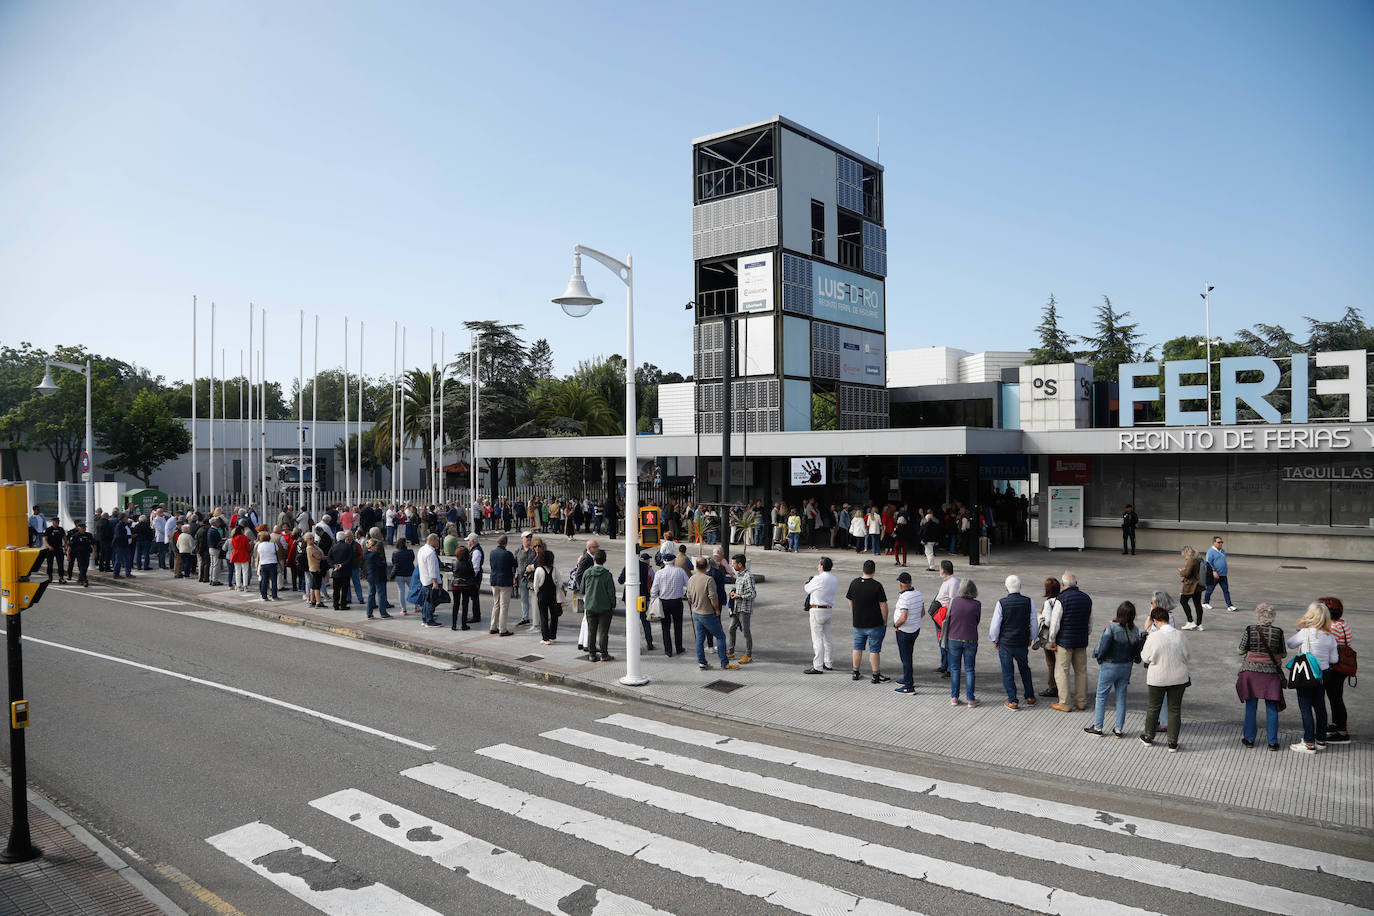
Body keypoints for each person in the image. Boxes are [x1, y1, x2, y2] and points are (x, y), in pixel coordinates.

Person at [1086, 601, 1145, 737]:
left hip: (1110, 665)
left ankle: (1098, 726)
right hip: (1126, 666)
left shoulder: (1112, 627)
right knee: (1121, 697)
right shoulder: (1135, 630)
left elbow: (1103, 646)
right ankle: (1119, 728)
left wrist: (1099, 657)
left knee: (1101, 696)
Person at [1287, 602, 1338, 753]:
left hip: (1307, 674)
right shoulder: (1330, 637)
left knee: (1305, 708)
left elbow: (1290, 644)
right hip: (1324, 674)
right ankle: (1320, 739)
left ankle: (1309, 742)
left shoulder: (1306, 632)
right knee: (1320, 706)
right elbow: (1334, 659)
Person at [1139, 605, 1191, 752]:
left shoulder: (1154, 637)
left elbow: (1145, 657)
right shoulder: (1180, 635)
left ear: (1155, 620)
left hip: (1158, 678)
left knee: (1154, 707)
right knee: (1175, 709)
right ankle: (1172, 742)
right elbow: (1188, 656)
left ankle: (1149, 737)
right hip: (1179, 677)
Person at [1236, 602, 1286, 751]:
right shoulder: (1279, 632)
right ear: (1273, 617)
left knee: (1251, 706)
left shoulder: (1250, 629)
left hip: (1251, 673)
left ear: (1258, 615)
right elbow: (1283, 653)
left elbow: (1240, 651)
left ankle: (1249, 739)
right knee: (1271, 707)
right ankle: (1272, 742)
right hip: (1271, 674)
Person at [990, 574, 1036, 709]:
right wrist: (1031, 638)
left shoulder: (1001, 603)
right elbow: (1033, 622)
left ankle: (1013, 700)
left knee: (1007, 671)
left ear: (1006, 588)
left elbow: (995, 625)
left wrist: (995, 639)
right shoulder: (1029, 601)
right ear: (1020, 586)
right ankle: (1030, 696)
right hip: (1022, 641)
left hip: (1006, 642)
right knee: (1024, 668)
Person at [1048, 571, 1092, 712]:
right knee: (1081, 671)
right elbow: (1090, 622)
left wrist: (1052, 639)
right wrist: (1086, 633)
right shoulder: (1086, 598)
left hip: (1064, 641)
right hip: (1081, 640)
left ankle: (1065, 702)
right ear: (1076, 584)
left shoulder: (1061, 599)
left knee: (1062, 671)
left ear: (1063, 584)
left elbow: (1055, 623)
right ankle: (1081, 701)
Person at [687, 557, 735, 671]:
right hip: (707, 613)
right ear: (707, 566)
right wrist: (717, 609)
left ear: (696, 566)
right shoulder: (709, 579)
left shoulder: (691, 579)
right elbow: (713, 597)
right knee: (720, 636)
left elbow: (689, 597)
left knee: (700, 638)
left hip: (696, 612)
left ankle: (702, 662)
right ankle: (724, 663)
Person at [846, 559, 890, 683]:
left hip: (858, 622)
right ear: (874, 571)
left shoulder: (854, 583)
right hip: (875, 623)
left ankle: (855, 672)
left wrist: (855, 611)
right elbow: (883, 605)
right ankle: (875, 675)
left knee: (857, 647)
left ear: (862, 570)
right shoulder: (877, 586)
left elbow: (850, 599)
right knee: (874, 649)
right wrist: (884, 620)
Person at [946, 579, 982, 706]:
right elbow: (977, 620)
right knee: (969, 669)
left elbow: (949, 618)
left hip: (954, 638)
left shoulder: (954, 601)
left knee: (955, 668)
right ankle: (970, 699)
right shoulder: (977, 604)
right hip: (970, 638)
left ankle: (954, 697)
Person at [1321, 596, 1352, 745]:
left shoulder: (1332, 628)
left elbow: (1326, 645)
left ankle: (1342, 732)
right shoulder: (1343, 624)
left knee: (1336, 698)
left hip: (1335, 666)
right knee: (1335, 696)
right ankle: (1335, 724)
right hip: (1344, 666)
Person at [802, 556, 838, 675]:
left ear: (822, 566)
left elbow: (807, 588)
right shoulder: (834, 579)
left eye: (819, 564)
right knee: (828, 638)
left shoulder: (818, 578)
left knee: (817, 639)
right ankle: (828, 662)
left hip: (817, 609)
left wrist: (810, 582)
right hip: (828, 609)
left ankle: (818, 666)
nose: (818, 566)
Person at [649, 551, 688, 657]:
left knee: (665, 627)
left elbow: (654, 590)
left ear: (664, 562)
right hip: (677, 602)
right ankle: (679, 648)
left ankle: (668, 650)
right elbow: (688, 584)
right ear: (674, 560)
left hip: (664, 602)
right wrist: (684, 592)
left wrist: (653, 601)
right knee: (678, 625)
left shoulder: (659, 573)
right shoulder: (680, 571)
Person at [581, 550, 616, 662]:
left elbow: (582, 589)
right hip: (605, 607)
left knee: (591, 631)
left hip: (590, 606)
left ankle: (591, 654)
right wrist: (613, 605)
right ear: (604, 561)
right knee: (603, 632)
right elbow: (611, 592)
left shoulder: (587, 573)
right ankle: (604, 654)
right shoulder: (607, 574)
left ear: (594, 559)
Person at [891, 571, 923, 694]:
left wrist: (896, 625)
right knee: (907, 656)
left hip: (904, 631)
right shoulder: (918, 594)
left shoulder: (904, 597)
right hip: (915, 629)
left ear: (901, 584)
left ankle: (909, 686)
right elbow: (922, 613)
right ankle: (906, 678)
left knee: (906, 659)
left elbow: (903, 617)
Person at [932, 560, 960, 677]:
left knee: (945, 641)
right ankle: (944, 665)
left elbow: (952, 599)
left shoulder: (952, 582)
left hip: (944, 615)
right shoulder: (947, 581)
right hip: (939, 613)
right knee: (941, 640)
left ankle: (949, 668)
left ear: (943, 570)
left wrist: (947, 617)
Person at [726, 554, 755, 664]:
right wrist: (734, 593)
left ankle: (748, 655)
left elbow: (752, 593)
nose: (732, 565)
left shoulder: (748, 576)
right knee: (731, 629)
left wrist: (740, 596)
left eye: (733, 563)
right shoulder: (739, 575)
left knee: (746, 632)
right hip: (737, 608)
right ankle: (731, 651)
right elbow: (739, 589)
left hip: (744, 609)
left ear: (740, 564)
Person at [533, 549, 566, 645]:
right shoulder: (554, 569)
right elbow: (560, 583)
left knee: (543, 617)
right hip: (552, 596)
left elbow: (535, 585)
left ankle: (545, 638)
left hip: (542, 596)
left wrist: (537, 594)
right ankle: (552, 636)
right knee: (554, 616)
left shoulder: (539, 570)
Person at [488, 534, 516, 636]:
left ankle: (493, 626)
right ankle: (503, 629)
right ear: (506, 543)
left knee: (496, 604)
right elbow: (514, 565)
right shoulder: (508, 554)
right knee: (504, 606)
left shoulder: (492, 553)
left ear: (497, 542)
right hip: (505, 581)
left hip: (494, 580)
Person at [415, 533, 443, 627]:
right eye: (437, 540)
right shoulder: (430, 553)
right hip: (430, 581)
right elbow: (432, 569)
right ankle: (429, 620)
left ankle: (425, 618)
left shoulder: (422, 549)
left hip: (424, 579)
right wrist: (435, 582)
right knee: (430, 601)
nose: (438, 543)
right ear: (433, 540)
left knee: (426, 601)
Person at [1203, 536, 1236, 612]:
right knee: (1210, 589)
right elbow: (1208, 563)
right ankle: (1205, 603)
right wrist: (1214, 571)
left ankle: (1229, 605)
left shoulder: (1223, 551)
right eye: (1219, 542)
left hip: (1223, 575)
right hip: (1214, 575)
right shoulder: (1210, 552)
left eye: (1222, 542)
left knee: (1226, 590)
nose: (1221, 543)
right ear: (1214, 543)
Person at [514, 531, 538, 627]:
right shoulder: (518, 551)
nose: (529, 539)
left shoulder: (534, 550)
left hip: (532, 577)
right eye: (527, 537)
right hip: (522, 577)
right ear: (522, 538)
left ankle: (537, 617)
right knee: (524, 598)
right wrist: (513, 577)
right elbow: (514, 565)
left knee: (535, 599)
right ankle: (525, 617)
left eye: (530, 537)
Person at [364, 537, 392, 619]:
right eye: (375, 546)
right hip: (378, 577)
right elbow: (382, 564)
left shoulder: (366, 554)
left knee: (371, 595)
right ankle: (383, 612)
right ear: (371, 546)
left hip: (370, 576)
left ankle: (369, 612)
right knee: (381, 595)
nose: (376, 548)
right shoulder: (374, 556)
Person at [1178, 546, 1204, 630]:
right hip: (1199, 586)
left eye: (1184, 554)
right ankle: (1199, 624)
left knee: (1183, 601)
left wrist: (1181, 571)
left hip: (1191, 586)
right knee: (1197, 604)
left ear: (1187, 553)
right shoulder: (1199, 560)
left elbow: (1187, 574)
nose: (1184, 556)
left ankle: (1190, 621)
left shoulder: (1191, 561)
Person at [451, 545, 476, 631]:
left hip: (455, 584)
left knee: (455, 604)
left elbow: (453, 573)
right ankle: (463, 624)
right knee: (465, 604)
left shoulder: (454, 563)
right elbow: (472, 573)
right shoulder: (469, 563)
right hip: (466, 585)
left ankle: (454, 625)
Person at [328, 532, 354, 610]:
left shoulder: (333, 547)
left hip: (336, 572)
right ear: (344, 538)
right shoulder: (348, 547)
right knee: (344, 589)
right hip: (345, 571)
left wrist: (334, 565)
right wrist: (342, 565)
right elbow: (350, 559)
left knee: (336, 590)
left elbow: (329, 558)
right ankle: (343, 604)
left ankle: (335, 604)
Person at [66, 520, 93, 587]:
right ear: (79, 528)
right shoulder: (75, 536)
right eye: (82, 528)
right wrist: (68, 555)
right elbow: (70, 546)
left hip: (87, 553)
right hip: (79, 553)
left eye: (84, 528)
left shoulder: (88, 535)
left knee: (86, 566)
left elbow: (94, 543)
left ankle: (81, 578)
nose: (84, 529)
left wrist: (95, 552)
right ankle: (84, 580)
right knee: (81, 567)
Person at [390, 537, 414, 614]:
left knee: (401, 591)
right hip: (409, 573)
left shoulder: (395, 553)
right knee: (413, 590)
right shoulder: (410, 552)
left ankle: (403, 609)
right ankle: (417, 606)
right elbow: (412, 560)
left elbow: (394, 562)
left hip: (399, 574)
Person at [466, 533, 484, 624]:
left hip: (475, 578)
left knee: (474, 597)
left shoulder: (476, 551)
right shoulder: (474, 550)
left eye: (468, 540)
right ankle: (476, 615)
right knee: (474, 596)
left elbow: (475, 567)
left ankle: (476, 616)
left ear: (472, 541)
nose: (467, 542)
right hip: (475, 577)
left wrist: (471, 577)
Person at [255, 531, 279, 600]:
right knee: (274, 580)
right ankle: (274, 596)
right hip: (273, 563)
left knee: (264, 580)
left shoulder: (259, 545)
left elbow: (258, 554)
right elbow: (277, 552)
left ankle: (264, 596)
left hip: (263, 564)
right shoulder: (273, 544)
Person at [43, 518, 66, 583]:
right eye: (56, 522)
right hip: (51, 549)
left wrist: (65, 544)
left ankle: (61, 577)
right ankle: (49, 577)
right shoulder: (49, 529)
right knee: (50, 564)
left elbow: (64, 537)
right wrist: (48, 546)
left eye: (58, 522)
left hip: (59, 548)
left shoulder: (61, 529)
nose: (57, 523)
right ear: (53, 522)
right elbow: (44, 539)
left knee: (60, 564)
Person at [304, 533, 325, 608]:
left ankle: (312, 600)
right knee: (317, 585)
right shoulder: (310, 548)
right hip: (315, 568)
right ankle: (318, 602)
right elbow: (319, 557)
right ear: (306, 540)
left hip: (315, 567)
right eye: (310, 538)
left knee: (313, 585)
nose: (312, 539)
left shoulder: (313, 546)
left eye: (312, 538)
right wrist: (327, 557)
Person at [230, 525, 252, 591]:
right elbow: (248, 548)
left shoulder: (233, 538)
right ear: (241, 530)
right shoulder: (244, 537)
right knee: (245, 571)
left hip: (236, 555)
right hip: (244, 555)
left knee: (237, 571)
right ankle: (245, 586)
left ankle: (238, 586)